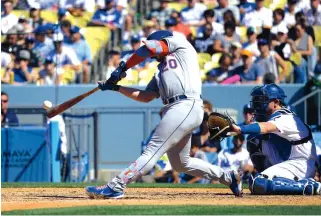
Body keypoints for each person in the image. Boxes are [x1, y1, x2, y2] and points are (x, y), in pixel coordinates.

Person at [85, 30, 242, 198]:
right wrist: (116, 87)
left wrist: (123, 67)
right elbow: (146, 97)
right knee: (181, 163)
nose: (153, 57)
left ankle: (116, 185)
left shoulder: (180, 44)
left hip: (185, 104)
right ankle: (229, 177)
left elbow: (149, 49)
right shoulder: (161, 71)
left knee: (151, 151)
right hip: (179, 108)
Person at [231, 84, 321, 195]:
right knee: (253, 139)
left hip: (300, 165)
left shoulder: (286, 117)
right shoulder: (270, 118)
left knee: (258, 183)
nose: (257, 104)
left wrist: (239, 128)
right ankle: (270, 177)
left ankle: (309, 186)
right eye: (256, 100)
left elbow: (265, 127)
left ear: (276, 102)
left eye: (262, 100)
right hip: (287, 162)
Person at [43, 100, 68, 181]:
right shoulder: (49, 119)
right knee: (53, 166)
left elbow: (61, 134)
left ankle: (61, 181)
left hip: (59, 145)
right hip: (51, 146)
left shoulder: (57, 118)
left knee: (61, 167)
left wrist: (62, 147)